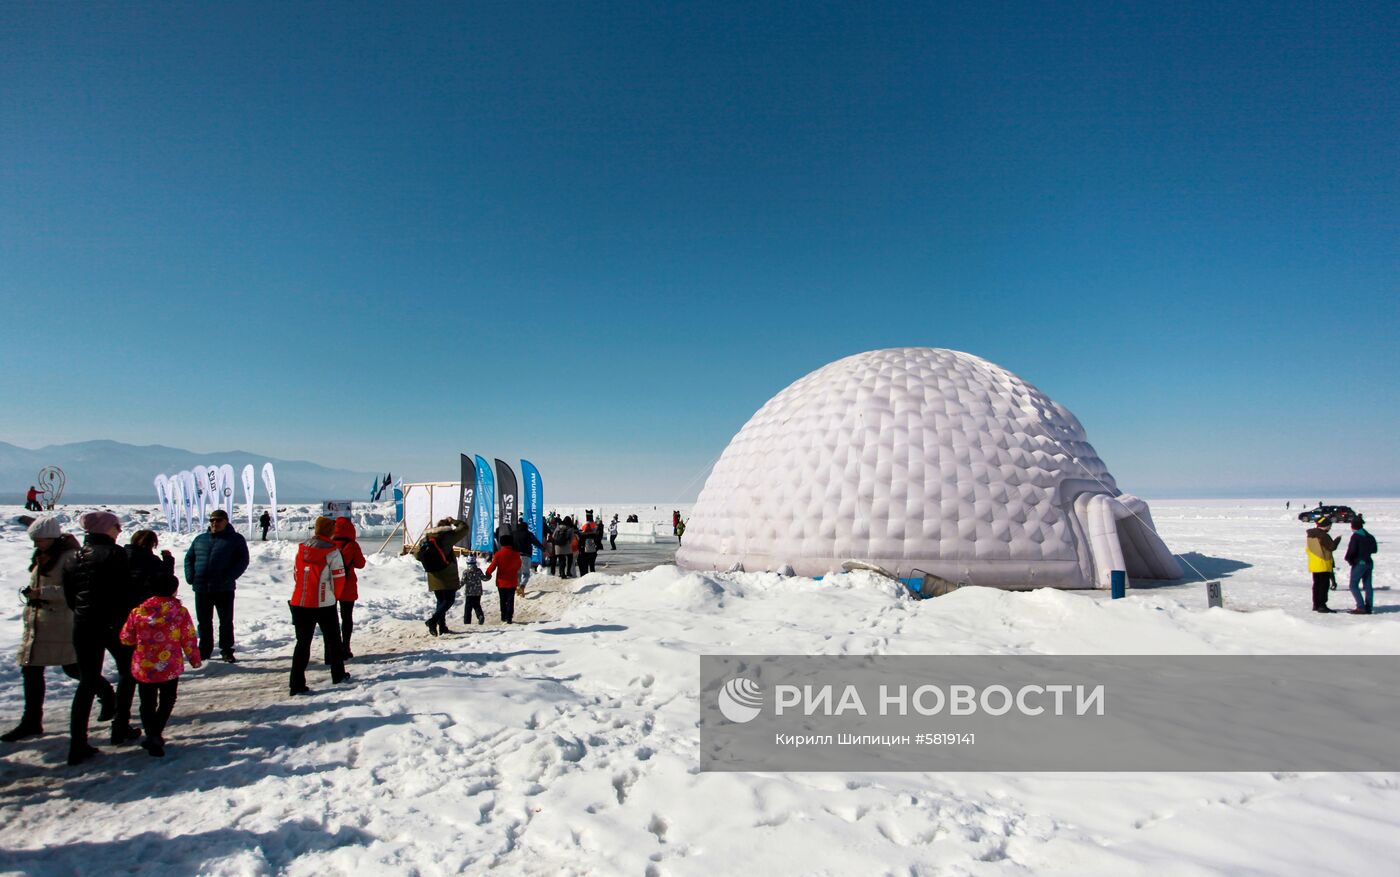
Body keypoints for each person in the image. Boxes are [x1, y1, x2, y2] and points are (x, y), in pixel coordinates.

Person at [64, 510, 142, 765]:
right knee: (128, 673)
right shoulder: (114, 554)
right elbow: (126, 591)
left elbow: (70, 596)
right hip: (113, 623)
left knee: (87, 682)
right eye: (116, 526)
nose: (119, 531)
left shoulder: (73, 557)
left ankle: (78, 743)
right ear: (105, 529)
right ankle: (120, 727)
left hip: (83, 624)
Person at [2, 517, 81, 743]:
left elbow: (71, 590)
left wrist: (42, 593)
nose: (37, 544)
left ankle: (107, 696)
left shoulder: (69, 557)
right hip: (40, 623)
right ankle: (31, 720)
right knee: (32, 671)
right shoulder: (44, 556)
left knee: (73, 668)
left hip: (60, 624)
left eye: (40, 539)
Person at [119, 563, 201, 756]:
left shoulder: (138, 612)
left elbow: (126, 637)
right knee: (167, 699)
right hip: (169, 665)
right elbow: (188, 637)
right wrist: (194, 658)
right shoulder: (179, 612)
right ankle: (156, 732)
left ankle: (151, 733)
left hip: (144, 665)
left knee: (147, 702)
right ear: (174, 589)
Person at [288, 517, 349, 695]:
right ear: (330, 530)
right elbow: (338, 579)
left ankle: (296, 683)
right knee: (333, 641)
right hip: (324, 603)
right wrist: (334, 596)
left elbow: (296, 574)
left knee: (302, 643)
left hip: (300, 601)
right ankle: (338, 674)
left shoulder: (302, 549)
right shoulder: (332, 552)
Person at [184, 508, 249, 662]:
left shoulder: (235, 539)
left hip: (223, 588)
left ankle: (227, 650)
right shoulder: (200, 539)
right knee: (204, 622)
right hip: (201, 588)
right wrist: (191, 576)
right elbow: (189, 558)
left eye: (218, 520)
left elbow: (243, 560)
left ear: (226, 522)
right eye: (212, 520)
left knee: (225, 621)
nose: (214, 523)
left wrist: (230, 576)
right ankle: (205, 650)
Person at [422, 517, 469, 636]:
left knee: (441, 600)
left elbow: (418, 554)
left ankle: (442, 626)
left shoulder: (427, 538)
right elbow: (464, 528)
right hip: (447, 574)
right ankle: (433, 621)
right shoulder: (447, 537)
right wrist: (454, 521)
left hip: (433, 575)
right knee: (449, 600)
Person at [329, 517, 366, 659]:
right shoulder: (352, 545)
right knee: (346, 617)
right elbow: (360, 563)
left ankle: (333, 648)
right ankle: (346, 646)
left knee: (331, 620)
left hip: (331, 586)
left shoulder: (329, 544)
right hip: (347, 586)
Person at [1305, 517, 1342, 613]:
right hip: (1323, 563)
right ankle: (1322, 605)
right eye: (1330, 526)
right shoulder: (1323, 535)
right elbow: (1332, 547)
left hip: (1314, 563)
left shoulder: (1311, 534)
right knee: (1323, 586)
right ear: (1326, 526)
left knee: (1316, 585)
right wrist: (1337, 540)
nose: (1330, 528)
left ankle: (1316, 604)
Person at [1345, 516, 1379, 615]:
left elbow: (1352, 551)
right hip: (1369, 562)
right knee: (1368, 585)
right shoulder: (1370, 536)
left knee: (1353, 585)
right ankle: (1369, 607)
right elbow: (1375, 550)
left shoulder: (1355, 536)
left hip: (1359, 563)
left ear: (1353, 526)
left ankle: (1361, 607)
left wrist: (1349, 559)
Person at [484, 538, 522, 623]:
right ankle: (509, 617)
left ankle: (503, 615)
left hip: (501, 582)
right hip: (512, 581)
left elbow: (493, 565)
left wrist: (488, 572)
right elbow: (519, 565)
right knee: (510, 600)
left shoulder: (498, 554)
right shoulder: (516, 554)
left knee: (503, 599)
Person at [512, 516, 544, 589]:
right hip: (526, 556)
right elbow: (536, 542)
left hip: (515, 556)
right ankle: (522, 586)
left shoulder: (513, 533)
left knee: (518, 573)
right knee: (526, 573)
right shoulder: (529, 534)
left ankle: (517, 587)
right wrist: (543, 549)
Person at [462, 556, 486, 625]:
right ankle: (480, 615)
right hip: (478, 592)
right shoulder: (478, 571)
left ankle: (467, 621)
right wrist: (488, 576)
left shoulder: (466, 572)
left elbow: (463, 581)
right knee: (477, 605)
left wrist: (456, 586)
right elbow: (484, 578)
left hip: (469, 592)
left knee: (468, 607)